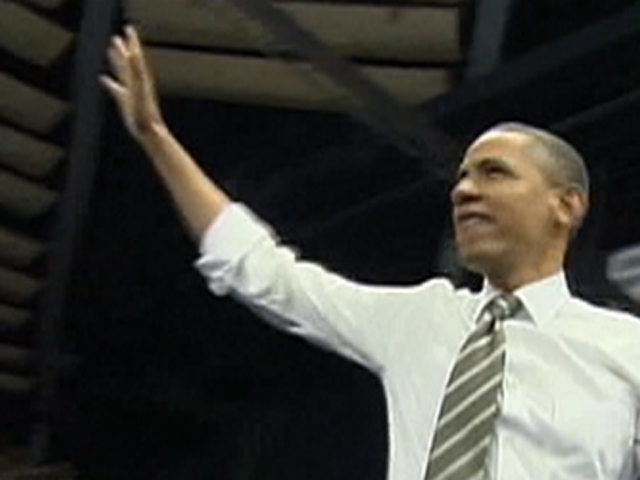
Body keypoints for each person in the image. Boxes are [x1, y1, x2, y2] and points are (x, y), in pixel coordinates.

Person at [101, 26, 640, 480]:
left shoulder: (626, 348)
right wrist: (154, 136)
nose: (464, 191)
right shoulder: (419, 319)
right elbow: (264, 272)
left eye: (494, 173)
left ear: (566, 205)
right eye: (462, 178)